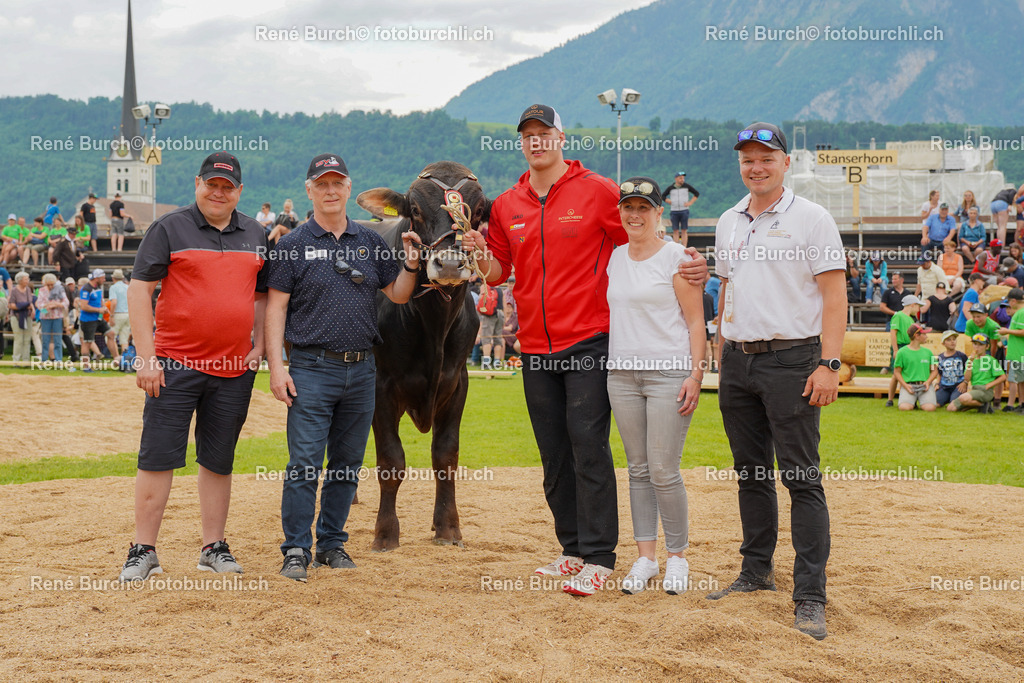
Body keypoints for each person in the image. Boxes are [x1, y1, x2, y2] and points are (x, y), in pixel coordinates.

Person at [463, 103, 709, 597]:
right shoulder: (508, 204)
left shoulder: (596, 190)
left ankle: (599, 556)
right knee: (553, 455)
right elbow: (499, 272)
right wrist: (478, 251)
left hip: (590, 342)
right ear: (521, 143)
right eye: (528, 135)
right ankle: (571, 550)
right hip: (534, 346)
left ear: (561, 138)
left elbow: (640, 241)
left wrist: (686, 262)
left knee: (588, 448)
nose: (536, 142)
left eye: (544, 133)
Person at [705, 122, 844, 641]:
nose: (756, 166)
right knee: (750, 474)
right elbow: (728, 288)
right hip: (738, 360)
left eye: (766, 157)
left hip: (793, 359)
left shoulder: (812, 218)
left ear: (786, 162)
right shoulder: (728, 220)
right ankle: (756, 571)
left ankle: (810, 596)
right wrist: (721, 351)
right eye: (748, 158)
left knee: (802, 478)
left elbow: (834, 296)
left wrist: (829, 364)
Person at [266, 153, 421, 583]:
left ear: (349, 188)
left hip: (363, 369)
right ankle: (296, 548)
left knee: (347, 465)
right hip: (311, 368)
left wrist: (411, 262)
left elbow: (399, 294)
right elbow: (275, 309)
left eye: (338, 183)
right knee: (304, 464)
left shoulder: (370, 241)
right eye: (322, 183)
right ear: (309, 190)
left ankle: (332, 544)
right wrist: (277, 366)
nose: (331, 190)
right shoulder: (293, 245)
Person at [118, 152, 269, 582]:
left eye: (227, 187)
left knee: (218, 460)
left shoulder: (256, 233)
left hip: (234, 368)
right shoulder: (168, 227)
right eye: (211, 184)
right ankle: (144, 549)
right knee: (158, 457)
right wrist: (146, 357)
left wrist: (259, 345)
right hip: (173, 364)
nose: (218, 193)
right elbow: (139, 290)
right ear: (197, 184)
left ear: (239, 191)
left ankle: (212, 547)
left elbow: (262, 296)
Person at [606, 176, 706, 596]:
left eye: (643, 208)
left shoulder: (676, 258)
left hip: (668, 373)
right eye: (628, 207)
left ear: (658, 212)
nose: (635, 215)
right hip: (621, 375)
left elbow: (696, 321)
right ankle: (646, 557)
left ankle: (677, 557)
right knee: (638, 470)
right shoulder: (615, 258)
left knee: (664, 470)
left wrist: (696, 375)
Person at [947, 334, 1006, 413]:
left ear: (987, 346)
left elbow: (1003, 377)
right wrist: (970, 362)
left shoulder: (991, 360)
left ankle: (982, 404)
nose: (977, 347)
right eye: (975, 344)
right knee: (950, 408)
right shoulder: (970, 360)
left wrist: (989, 385)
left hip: (986, 391)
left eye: (981, 345)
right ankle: (981, 405)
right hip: (975, 390)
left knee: (963, 398)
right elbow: (967, 379)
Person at [78, 269, 119, 370]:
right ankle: (86, 366)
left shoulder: (98, 287)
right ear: (96, 278)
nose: (104, 280)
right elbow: (84, 306)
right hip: (88, 320)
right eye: (102, 278)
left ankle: (116, 359)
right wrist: (99, 310)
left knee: (111, 334)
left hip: (98, 318)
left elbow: (100, 300)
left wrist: (104, 307)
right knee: (87, 342)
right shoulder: (86, 289)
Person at [886, 294, 922, 407]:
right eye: (918, 306)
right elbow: (893, 332)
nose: (919, 309)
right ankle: (890, 399)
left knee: (907, 374)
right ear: (913, 305)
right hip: (900, 346)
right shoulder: (898, 316)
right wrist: (895, 350)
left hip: (908, 347)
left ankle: (906, 399)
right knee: (896, 374)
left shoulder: (911, 319)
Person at [893, 323, 938, 411]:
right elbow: (896, 372)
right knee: (904, 408)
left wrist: (928, 382)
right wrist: (905, 385)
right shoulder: (901, 352)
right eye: (924, 334)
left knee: (930, 408)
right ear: (917, 336)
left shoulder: (929, 352)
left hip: (925, 386)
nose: (926, 337)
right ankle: (911, 402)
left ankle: (917, 401)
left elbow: (935, 370)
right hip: (909, 385)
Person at [997, 288, 1024, 413]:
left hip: (1020, 353)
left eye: (1008, 301)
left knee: (1020, 380)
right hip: (1017, 353)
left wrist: (1006, 331)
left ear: (1013, 301)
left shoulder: (1021, 313)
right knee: (1020, 381)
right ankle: (1021, 404)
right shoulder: (1019, 313)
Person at [36, 273, 69, 362]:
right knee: (45, 339)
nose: (50, 286)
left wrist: (57, 304)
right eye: (48, 284)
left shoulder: (60, 289)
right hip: (45, 317)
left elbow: (66, 302)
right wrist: (47, 306)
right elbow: (39, 304)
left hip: (57, 317)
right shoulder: (41, 290)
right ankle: (44, 359)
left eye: (52, 284)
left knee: (57, 339)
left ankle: (58, 359)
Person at [661, 171, 700, 246]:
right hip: (674, 210)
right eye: (680, 178)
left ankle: (684, 246)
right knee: (675, 230)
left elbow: (696, 193)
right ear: (676, 179)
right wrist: (669, 201)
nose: (682, 180)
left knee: (684, 230)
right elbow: (663, 196)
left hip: (684, 210)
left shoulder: (686, 186)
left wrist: (690, 202)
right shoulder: (671, 188)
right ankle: (676, 246)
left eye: (683, 178)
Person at [934, 330, 968, 406]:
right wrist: (937, 384)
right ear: (943, 343)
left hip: (958, 386)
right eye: (949, 340)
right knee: (935, 404)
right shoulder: (940, 357)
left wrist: (965, 383)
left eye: (954, 339)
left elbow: (968, 371)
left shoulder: (962, 356)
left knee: (954, 405)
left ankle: (952, 398)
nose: (952, 342)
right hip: (944, 386)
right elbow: (940, 373)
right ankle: (946, 398)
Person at [477, 280, 505, 369]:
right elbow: (504, 303)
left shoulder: (484, 287)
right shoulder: (500, 289)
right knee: (498, 338)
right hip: (500, 313)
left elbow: (481, 299)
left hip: (489, 314)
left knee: (486, 338)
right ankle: (497, 362)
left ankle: (486, 363)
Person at [8, 271, 35, 362]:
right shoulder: (14, 290)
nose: (27, 281)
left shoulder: (28, 289)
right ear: (20, 280)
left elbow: (30, 303)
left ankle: (26, 360)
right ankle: (16, 360)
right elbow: (11, 305)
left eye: (28, 279)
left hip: (27, 316)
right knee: (18, 339)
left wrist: (31, 309)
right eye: (26, 279)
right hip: (16, 316)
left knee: (27, 339)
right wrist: (23, 306)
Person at [108, 268, 131, 356]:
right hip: (127, 314)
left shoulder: (113, 287)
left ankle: (116, 357)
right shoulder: (127, 287)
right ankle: (125, 359)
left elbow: (114, 302)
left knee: (111, 337)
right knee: (124, 339)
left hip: (118, 314)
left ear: (113, 278)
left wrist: (111, 316)